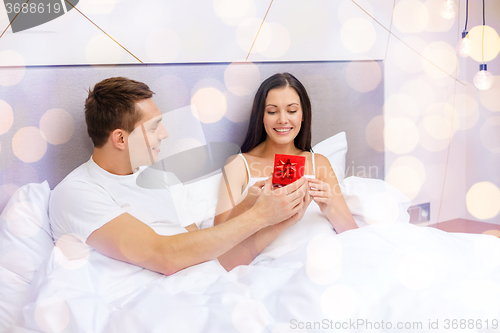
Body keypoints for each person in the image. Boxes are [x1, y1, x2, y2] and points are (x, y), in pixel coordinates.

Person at [49, 77, 310, 276]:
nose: (164, 134)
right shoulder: (78, 192)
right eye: (153, 127)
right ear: (120, 138)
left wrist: (277, 218)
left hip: (200, 289)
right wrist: (260, 215)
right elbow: (165, 256)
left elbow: (211, 257)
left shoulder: (163, 180)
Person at [214, 72, 358, 270]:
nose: (283, 119)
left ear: (302, 115)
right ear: (261, 117)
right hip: (270, 269)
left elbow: (354, 235)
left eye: (291, 111)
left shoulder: (319, 163)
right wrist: (255, 209)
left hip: (327, 262)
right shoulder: (239, 165)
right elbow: (216, 246)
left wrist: (329, 207)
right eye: (272, 112)